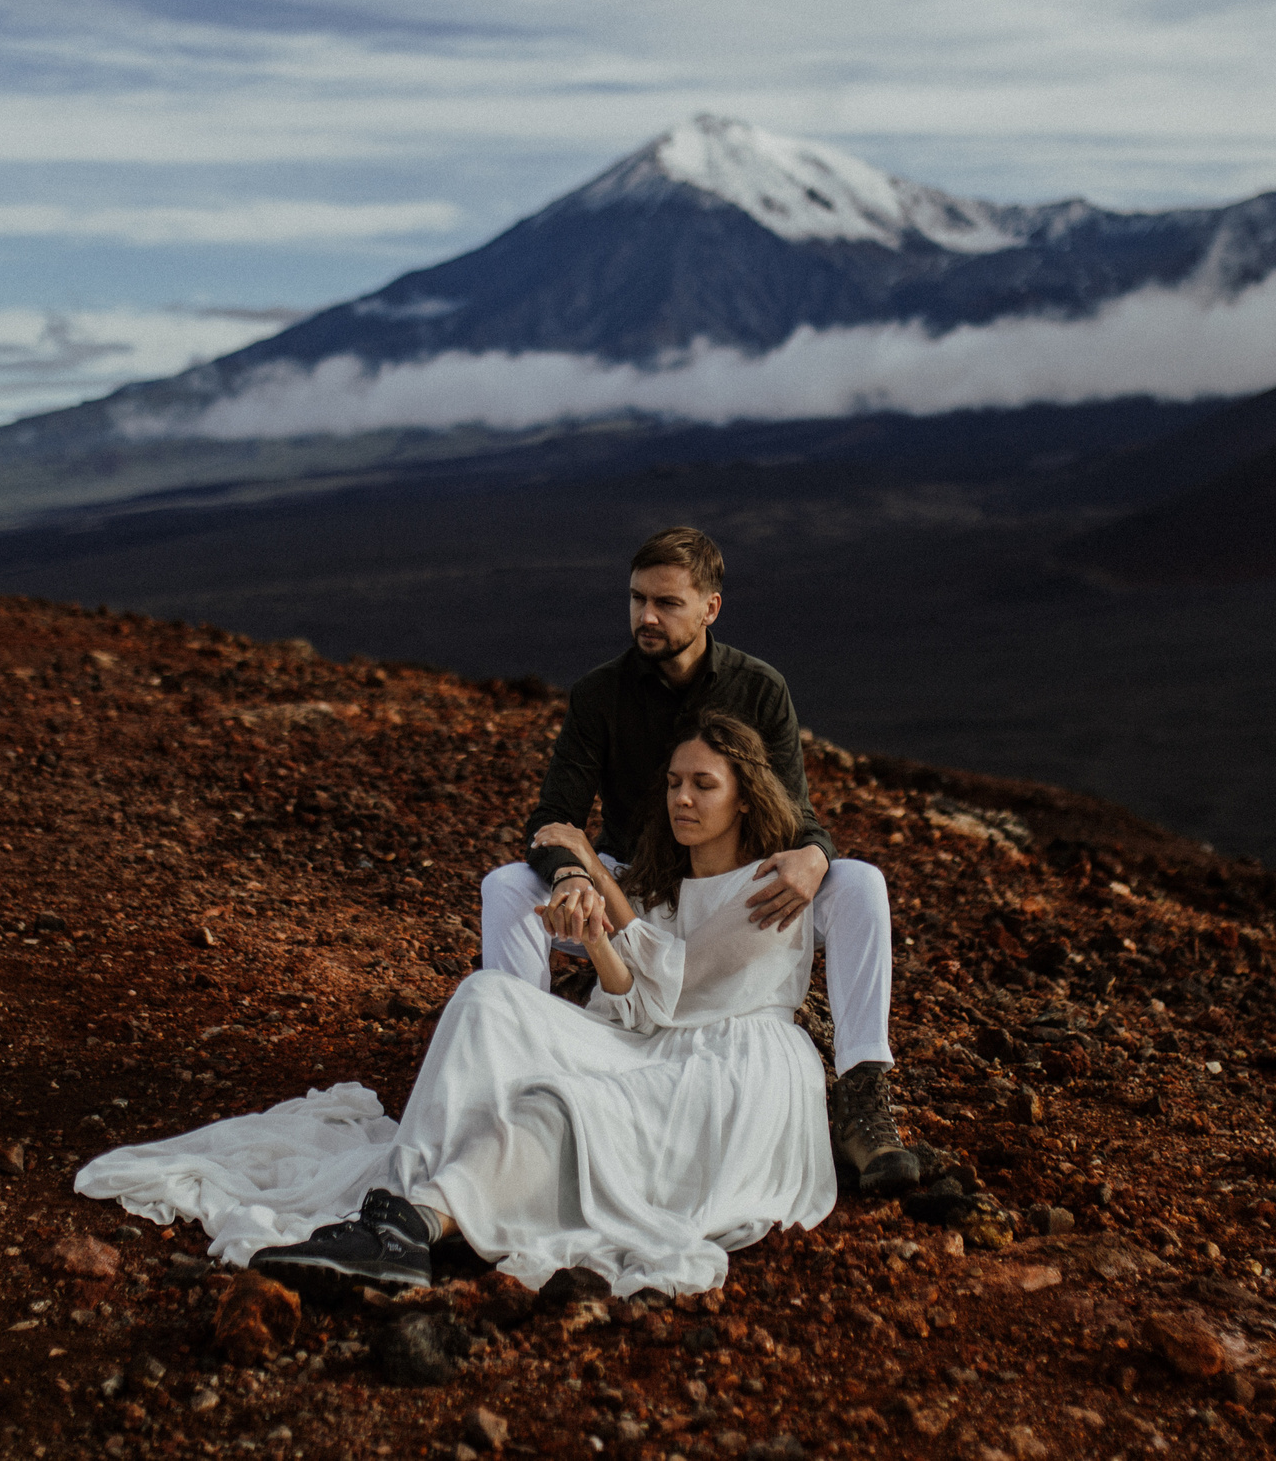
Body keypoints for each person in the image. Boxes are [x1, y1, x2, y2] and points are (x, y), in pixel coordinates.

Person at [73, 713, 836, 1297]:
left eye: (703, 784)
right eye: (674, 781)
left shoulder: (775, 883)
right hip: (656, 1039)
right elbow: (635, 1004)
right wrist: (600, 932)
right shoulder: (666, 884)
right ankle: (397, 1202)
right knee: (489, 996)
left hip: (730, 1066)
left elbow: (676, 982)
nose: (682, 797)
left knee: (563, 1106)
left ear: (744, 795)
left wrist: (603, 887)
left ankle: (413, 1225)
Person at [481, 527, 917, 1195]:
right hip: (639, 881)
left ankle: (863, 1098)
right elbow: (553, 817)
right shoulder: (600, 695)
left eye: (667, 602)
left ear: (711, 607)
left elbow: (798, 813)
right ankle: (517, 1075)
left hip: (736, 887)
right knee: (508, 886)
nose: (646, 617)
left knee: (859, 883)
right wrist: (574, 875)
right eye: (636, 599)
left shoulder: (759, 689)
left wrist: (813, 857)